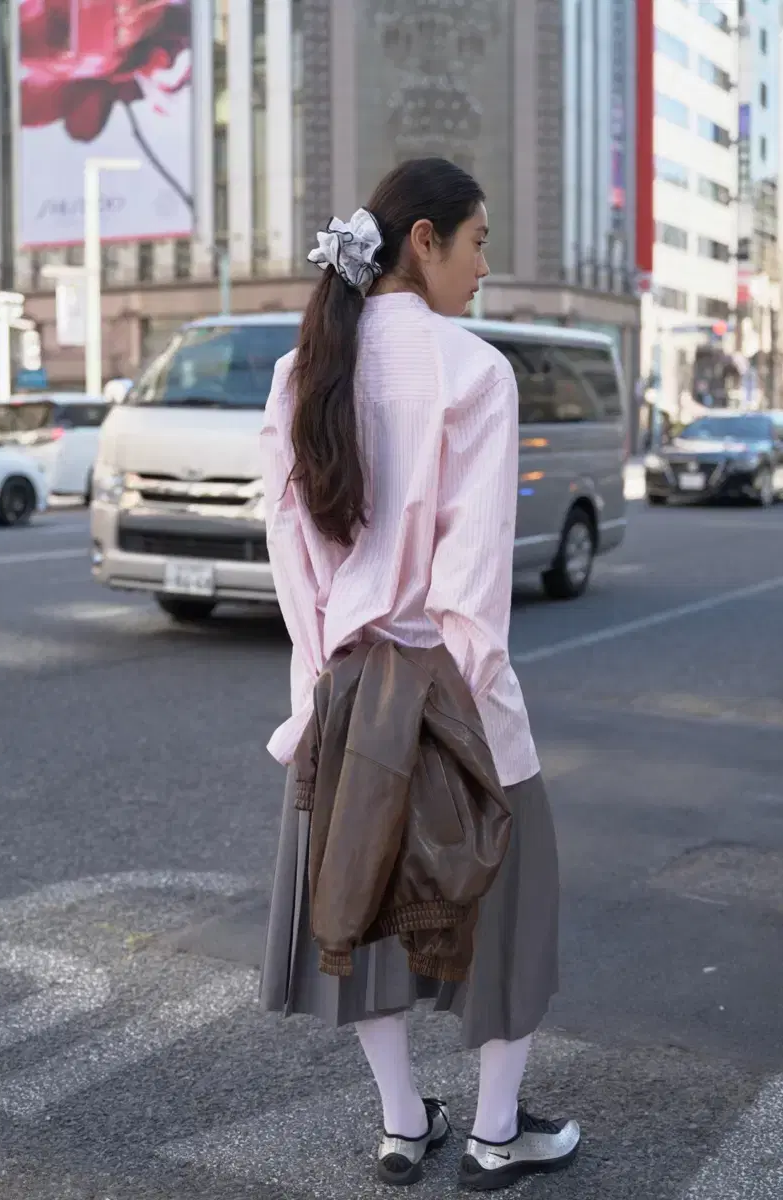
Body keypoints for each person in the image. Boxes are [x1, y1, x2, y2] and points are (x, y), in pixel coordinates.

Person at [259, 157, 580, 1191]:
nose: (484, 267)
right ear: (424, 240)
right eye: (477, 242)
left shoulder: (303, 368)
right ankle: (495, 1132)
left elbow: (290, 555)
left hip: (345, 688)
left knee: (358, 903)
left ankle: (404, 1125)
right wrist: (483, 727)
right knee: (510, 907)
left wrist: (315, 696)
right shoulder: (473, 371)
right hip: (448, 687)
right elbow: (471, 588)